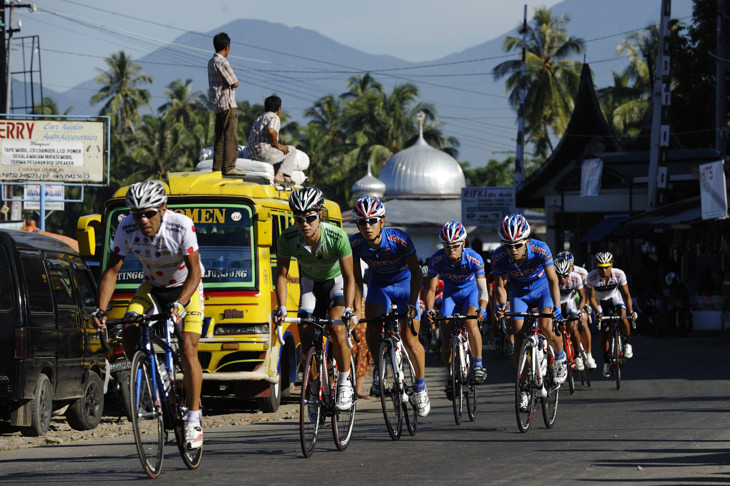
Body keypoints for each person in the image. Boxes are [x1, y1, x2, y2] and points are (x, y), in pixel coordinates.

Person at [92, 181, 206, 449]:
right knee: (130, 326)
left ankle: (193, 418)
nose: (142, 219)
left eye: (149, 213)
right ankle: (149, 375)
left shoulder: (180, 225)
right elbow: (111, 271)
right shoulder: (126, 227)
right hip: (153, 286)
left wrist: (180, 303)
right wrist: (101, 309)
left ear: (163, 209)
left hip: (186, 288)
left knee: (189, 349)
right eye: (136, 213)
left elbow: (195, 272)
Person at [273, 187, 357, 414]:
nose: (304, 225)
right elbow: (280, 274)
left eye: (310, 218)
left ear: (320, 214)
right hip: (310, 285)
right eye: (298, 219)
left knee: (337, 328)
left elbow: (350, 278)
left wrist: (350, 308)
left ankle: (344, 382)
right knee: (306, 337)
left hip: (335, 284)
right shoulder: (287, 238)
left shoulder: (337, 236)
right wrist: (281, 307)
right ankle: (312, 388)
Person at [349, 195, 431, 417]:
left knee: (409, 338)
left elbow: (416, 273)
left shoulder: (400, 239)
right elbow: (355, 280)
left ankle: (421, 388)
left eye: (372, 220)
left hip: (406, 285)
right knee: (373, 325)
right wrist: (357, 307)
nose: (367, 226)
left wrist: (413, 302)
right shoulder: (355, 244)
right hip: (380, 286)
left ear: (382, 222)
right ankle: (380, 369)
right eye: (361, 222)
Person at [491, 214, 566, 412]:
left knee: (546, 328)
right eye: (508, 245)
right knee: (518, 334)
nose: (513, 250)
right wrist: (501, 303)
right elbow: (499, 286)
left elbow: (553, 280)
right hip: (519, 293)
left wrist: (557, 307)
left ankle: (560, 357)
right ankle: (523, 386)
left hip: (543, 291)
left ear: (527, 240)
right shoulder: (498, 257)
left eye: (517, 245)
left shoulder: (540, 249)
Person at [424, 220, 489, 400]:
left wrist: (482, 308)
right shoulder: (436, 259)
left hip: (470, 293)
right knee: (445, 328)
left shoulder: (474, 258)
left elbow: (483, 289)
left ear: (463, 244)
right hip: (450, 295)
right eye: (447, 246)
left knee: (470, 321)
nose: (451, 250)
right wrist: (429, 309)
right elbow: (430, 289)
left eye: (455, 246)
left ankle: (477, 364)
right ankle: (451, 374)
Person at [585, 251, 637, 378]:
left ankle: (627, 342)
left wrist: (631, 312)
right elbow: (591, 298)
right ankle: (607, 362)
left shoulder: (619, 274)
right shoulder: (591, 277)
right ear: (596, 266)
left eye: (606, 267)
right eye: (600, 268)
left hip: (614, 297)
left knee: (623, 317)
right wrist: (598, 313)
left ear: (611, 265)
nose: (603, 270)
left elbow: (626, 295)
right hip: (599, 302)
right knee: (604, 331)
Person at [207, 32, 244, 177]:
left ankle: (217, 167)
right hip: (227, 103)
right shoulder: (223, 62)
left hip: (217, 105)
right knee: (230, 136)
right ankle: (228, 166)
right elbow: (234, 82)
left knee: (220, 137)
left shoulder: (211, 61)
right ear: (227, 47)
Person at [553, 257, 597, 371]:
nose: (562, 279)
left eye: (565, 275)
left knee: (573, 327)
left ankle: (577, 355)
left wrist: (579, 310)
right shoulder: (550, 278)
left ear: (570, 273)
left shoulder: (576, 277)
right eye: (559, 276)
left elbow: (583, 296)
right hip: (554, 303)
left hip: (569, 302)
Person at [246, 95, 298, 184]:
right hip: (263, 153)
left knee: (280, 152)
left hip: (252, 154)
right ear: (279, 109)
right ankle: (283, 177)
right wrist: (277, 145)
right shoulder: (274, 117)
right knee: (291, 150)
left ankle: (276, 174)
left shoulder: (259, 118)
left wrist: (277, 146)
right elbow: (271, 130)